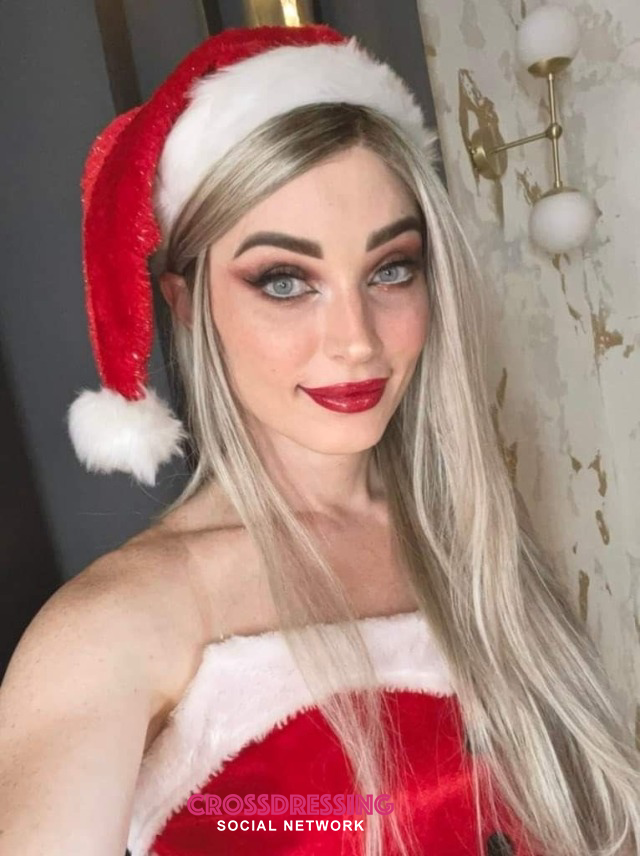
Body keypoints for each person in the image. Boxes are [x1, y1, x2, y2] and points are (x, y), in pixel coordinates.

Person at [0, 23, 637, 856]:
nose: (356, 341)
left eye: (390, 269)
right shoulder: (120, 622)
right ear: (187, 304)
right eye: (285, 280)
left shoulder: (475, 542)